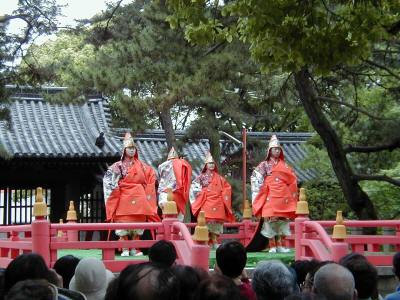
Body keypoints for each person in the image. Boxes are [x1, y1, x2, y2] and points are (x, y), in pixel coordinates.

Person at [103, 132, 160, 257]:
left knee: (137, 225)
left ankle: (135, 248)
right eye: (129, 148)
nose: (132, 150)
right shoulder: (117, 166)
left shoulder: (143, 166)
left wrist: (148, 189)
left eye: (133, 148)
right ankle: (125, 249)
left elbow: (152, 176)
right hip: (123, 198)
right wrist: (115, 189)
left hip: (139, 198)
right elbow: (108, 180)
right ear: (124, 150)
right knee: (123, 225)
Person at [250, 134, 298, 253]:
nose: (276, 151)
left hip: (283, 196)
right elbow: (256, 177)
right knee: (270, 220)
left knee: (282, 221)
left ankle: (280, 245)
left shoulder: (285, 165)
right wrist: (260, 191)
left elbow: (292, 180)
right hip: (270, 195)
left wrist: (290, 192)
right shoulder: (264, 165)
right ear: (269, 151)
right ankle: (272, 246)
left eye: (278, 149)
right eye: (274, 149)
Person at [190, 152, 235, 248]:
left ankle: (214, 241)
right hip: (206, 201)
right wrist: (202, 193)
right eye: (209, 163)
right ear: (206, 165)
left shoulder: (219, 178)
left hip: (218, 202)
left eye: (213, 163)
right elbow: (194, 187)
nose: (211, 165)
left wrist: (223, 195)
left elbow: (227, 187)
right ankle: (207, 241)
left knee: (216, 223)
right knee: (206, 221)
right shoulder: (201, 177)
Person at [157, 147, 192, 221]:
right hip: (168, 193)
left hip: (175, 193)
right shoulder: (164, 167)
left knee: (176, 217)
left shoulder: (163, 166)